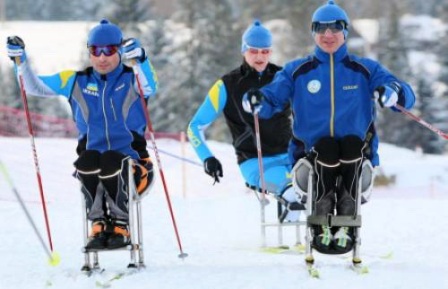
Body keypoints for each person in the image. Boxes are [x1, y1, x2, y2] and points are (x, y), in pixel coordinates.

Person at [243, 0, 416, 252]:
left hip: (356, 155)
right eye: (321, 28)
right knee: (326, 146)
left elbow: (405, 93)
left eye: (335, 28)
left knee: (350, 144)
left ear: (345, 31)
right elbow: (272, 96)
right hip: (311, 155)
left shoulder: (364, 69)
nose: (328, 35)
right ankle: (320, 219)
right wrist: (257, 99)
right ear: (313, 32)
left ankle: (347, 221)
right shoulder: (298, 71)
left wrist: (392, 92)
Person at [6, 19, 158, 249]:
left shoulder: (131, 78)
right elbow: (32, 86)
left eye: (109, 50)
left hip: (134, 170)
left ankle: (120, 224)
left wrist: (140, 59)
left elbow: (150, 87)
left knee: (110, 159)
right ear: (90, 52)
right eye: (96, 50)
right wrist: (21, 61)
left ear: (119, 50)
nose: (102, 57)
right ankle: (98, 223)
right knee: (86, 159)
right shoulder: (76, 80)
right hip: (94, 168)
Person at [188, 20, 302, 222]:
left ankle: (320, 237)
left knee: (318, 185)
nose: (259, 56)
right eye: (254, 51)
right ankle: (290, 228)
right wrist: (207, 158)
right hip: (255, 162)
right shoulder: (227, 85)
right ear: (244, 50)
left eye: (265, 51)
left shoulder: (283, 77)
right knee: (292, 189)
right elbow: (194, 127)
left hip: (291, 157)